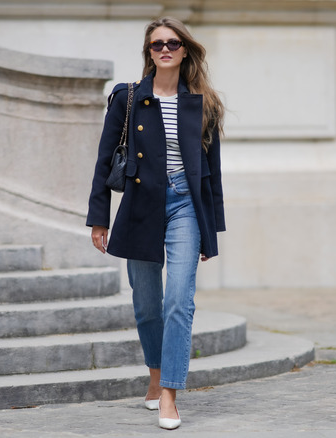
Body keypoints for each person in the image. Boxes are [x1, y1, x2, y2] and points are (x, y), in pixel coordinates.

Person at [86, 17, 226, 430]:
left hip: (186, 204)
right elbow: (104, 158)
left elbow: (212, 172)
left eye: (173, 43)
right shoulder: (128, 98)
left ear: (185, 50)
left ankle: (169, 393)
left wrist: (210, 228)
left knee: (179, 301)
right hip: (140, 206)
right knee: (147, 306)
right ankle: (153, 374)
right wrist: (99, 218)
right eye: (156, 44)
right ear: (148, 53)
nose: (164, 49)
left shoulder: (204, 103)